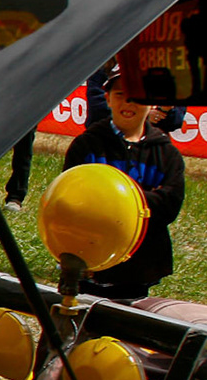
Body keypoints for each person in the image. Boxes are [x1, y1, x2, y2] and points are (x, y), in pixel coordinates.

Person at [63, 70, 185, 299]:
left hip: (139, 269)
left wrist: (109, 197)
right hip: (86, 264)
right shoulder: (86, 145)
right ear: (107, 98)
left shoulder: (167, 154)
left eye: (138, 97)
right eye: (120, 95)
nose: (128, 103)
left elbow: (169, 206)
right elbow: (71, 199)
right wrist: (145, 198)